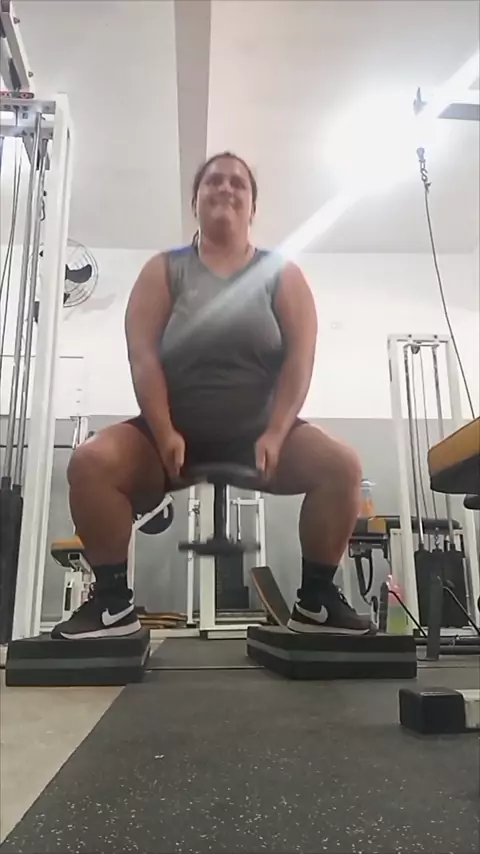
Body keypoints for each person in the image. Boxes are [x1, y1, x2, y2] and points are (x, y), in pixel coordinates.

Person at [52, 152, 371, 640]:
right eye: (213, 181)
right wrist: (163, 431)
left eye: (238, 183)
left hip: (259, 438)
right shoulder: (164, 270)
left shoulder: (282, 274)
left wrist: (276, 432)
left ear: (253, 206)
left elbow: (299, 362)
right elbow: (143, 358)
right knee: (91, 462)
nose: (226, 188)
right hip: (170, 437)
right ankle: (112, 605)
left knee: (342, 466)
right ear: (195, 201)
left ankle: (316, 604)